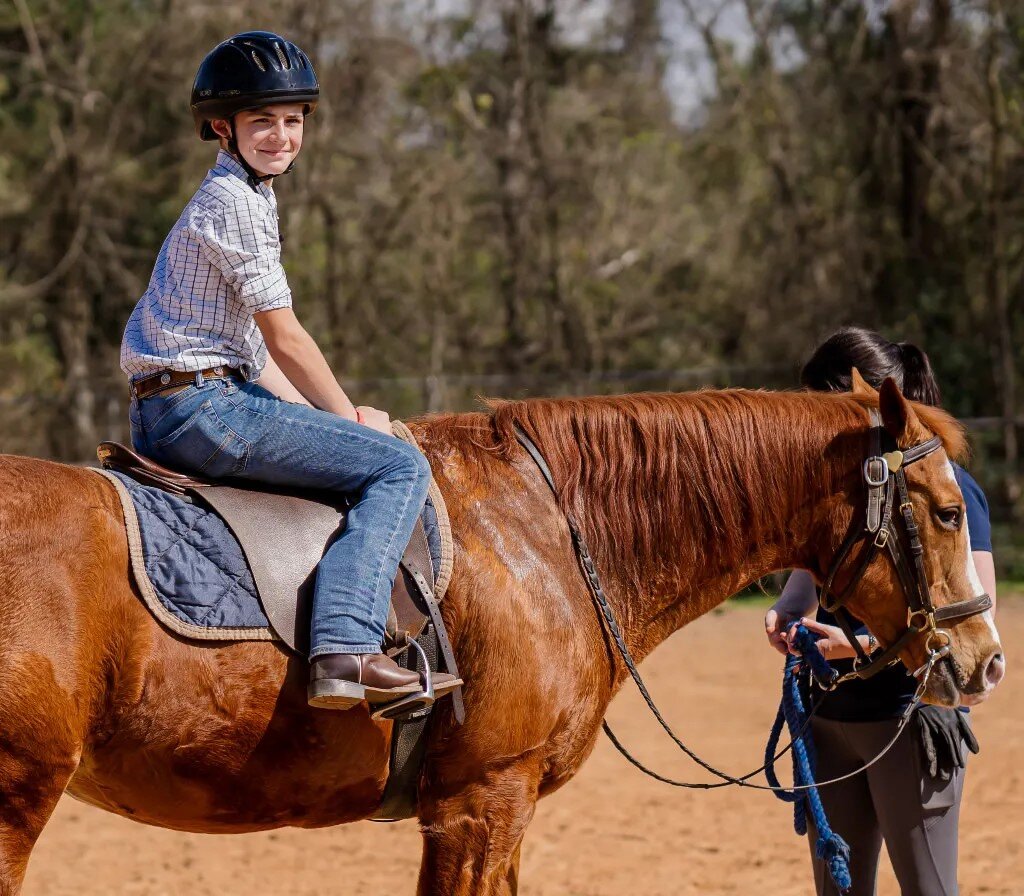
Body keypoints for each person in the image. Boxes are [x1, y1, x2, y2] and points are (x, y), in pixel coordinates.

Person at [120, 31, 459, 711]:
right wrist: (349, 414)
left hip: (185, 401)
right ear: (223, 128)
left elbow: (259, 351)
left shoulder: (246, 193)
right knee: (396, 467)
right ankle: (345, 649)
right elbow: (286, 334)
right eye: (262, 121)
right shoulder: (234, 204)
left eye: (293, 120)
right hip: (206, 406)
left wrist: (321, 420)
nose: (281, 136)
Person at [764, 327, 996, 896]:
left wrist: (858, 644)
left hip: (909, 719)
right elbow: (798, 594)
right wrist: (783, 619)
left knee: (928, 889)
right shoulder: (838, 502)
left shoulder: (951, 491)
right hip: (829, 717)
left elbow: (972, 624)